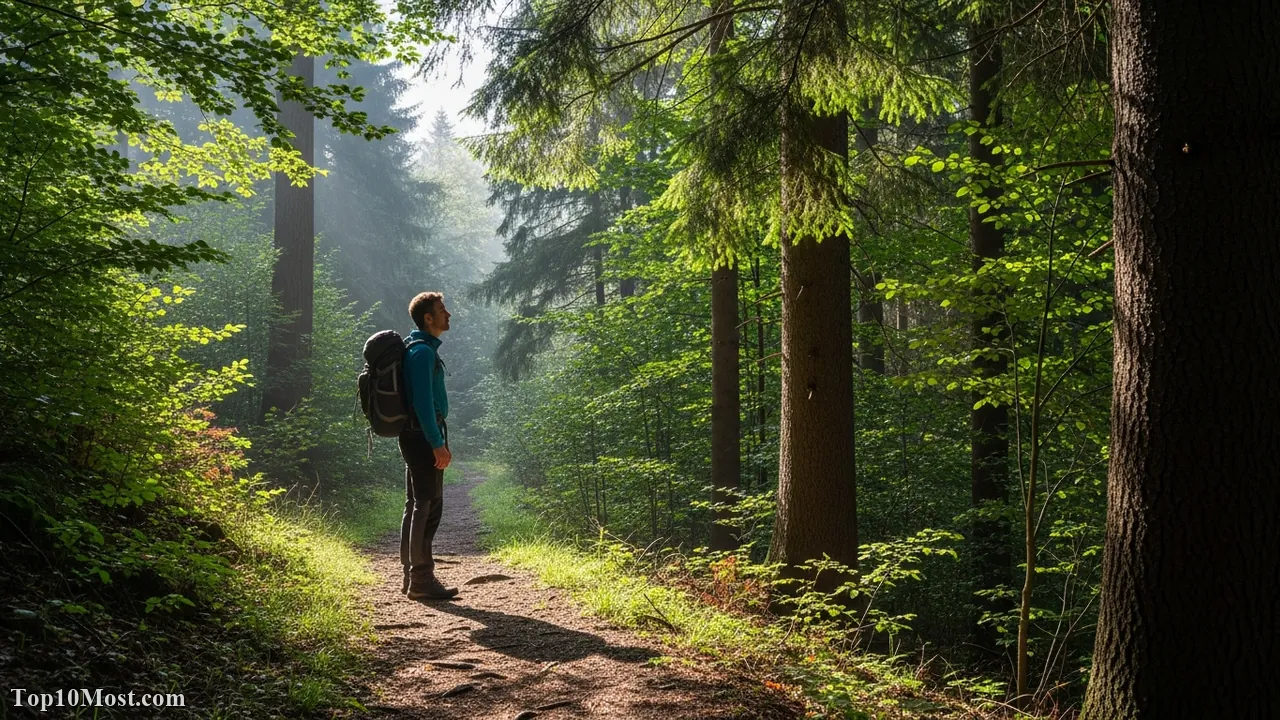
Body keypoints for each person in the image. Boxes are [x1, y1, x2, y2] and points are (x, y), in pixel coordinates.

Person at [399, 291, 458, 600]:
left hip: (416, 434)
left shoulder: (419, 349)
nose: (448, 314)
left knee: (417, 505)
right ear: (428, 318)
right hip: (423, 435)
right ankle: (421, 579)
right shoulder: (422, 352)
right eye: (442, 309)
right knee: (427, 505)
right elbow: (422, 402)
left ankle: (412, 578)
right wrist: (437, 443)